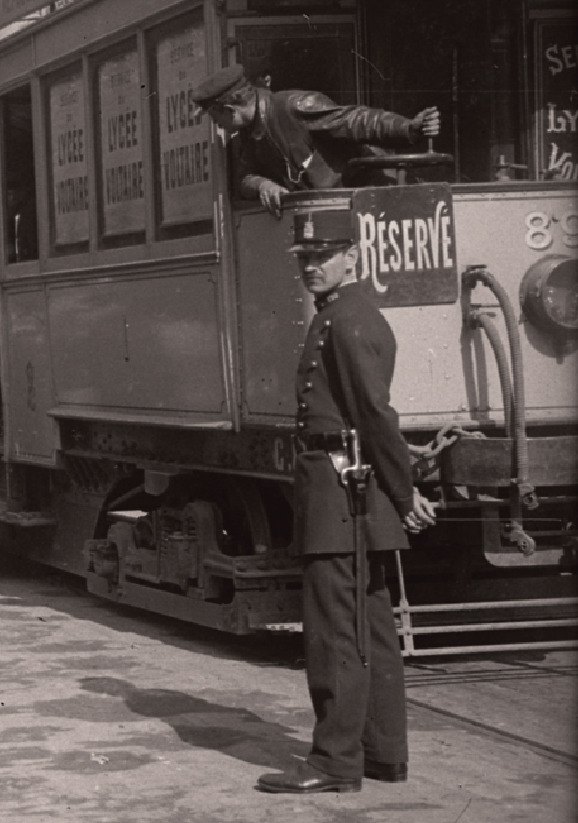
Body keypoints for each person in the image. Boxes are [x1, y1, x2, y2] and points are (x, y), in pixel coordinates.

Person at [258, 208, 439, 795]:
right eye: (306, 258)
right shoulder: (342, 315)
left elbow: (374, 414)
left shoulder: (348, 321)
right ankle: (383, 754)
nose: (312, 266)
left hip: (341, 492)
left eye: (324, 256)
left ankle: (335, 762)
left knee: (337, 629)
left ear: (353, 257)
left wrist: (403, 491)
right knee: (371, 625)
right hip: (348, 490)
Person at [191, 63, 444, 215]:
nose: (216, 125)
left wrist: (408, 129)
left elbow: (357, 120)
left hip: (362, 206)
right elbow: (245, 178)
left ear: (229, 110)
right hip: (325, 215)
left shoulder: (295, 106)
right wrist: (263, 185)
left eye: (214, 117)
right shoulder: (248, 132)